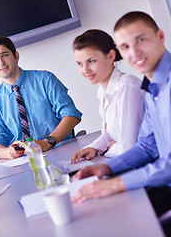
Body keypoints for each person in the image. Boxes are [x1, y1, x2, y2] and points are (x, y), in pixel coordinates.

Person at [72, 11, 171, 219]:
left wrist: (115, 183)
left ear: (160, 36)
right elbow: (146, 146)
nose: (133, 53)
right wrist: (104, 168)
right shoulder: (154, 87)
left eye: (141, 40)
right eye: (125, 47)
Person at [0, 36, 82, 160]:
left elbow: (71, 115)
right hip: (24, 162)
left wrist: (47, 143)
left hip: (60, 152)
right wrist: (8, 153)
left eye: (4, 55)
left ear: (16, 56)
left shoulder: (45, 79)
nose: (0, 62)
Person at [71, 29, 145, 163]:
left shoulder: (127, 86)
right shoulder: (102, 90)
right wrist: (92, 148)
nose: (85, 70)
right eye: (80, 64)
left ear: (111, 56)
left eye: (91, 61)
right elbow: (109, 133)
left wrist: (110, 149)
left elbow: (129, 147)